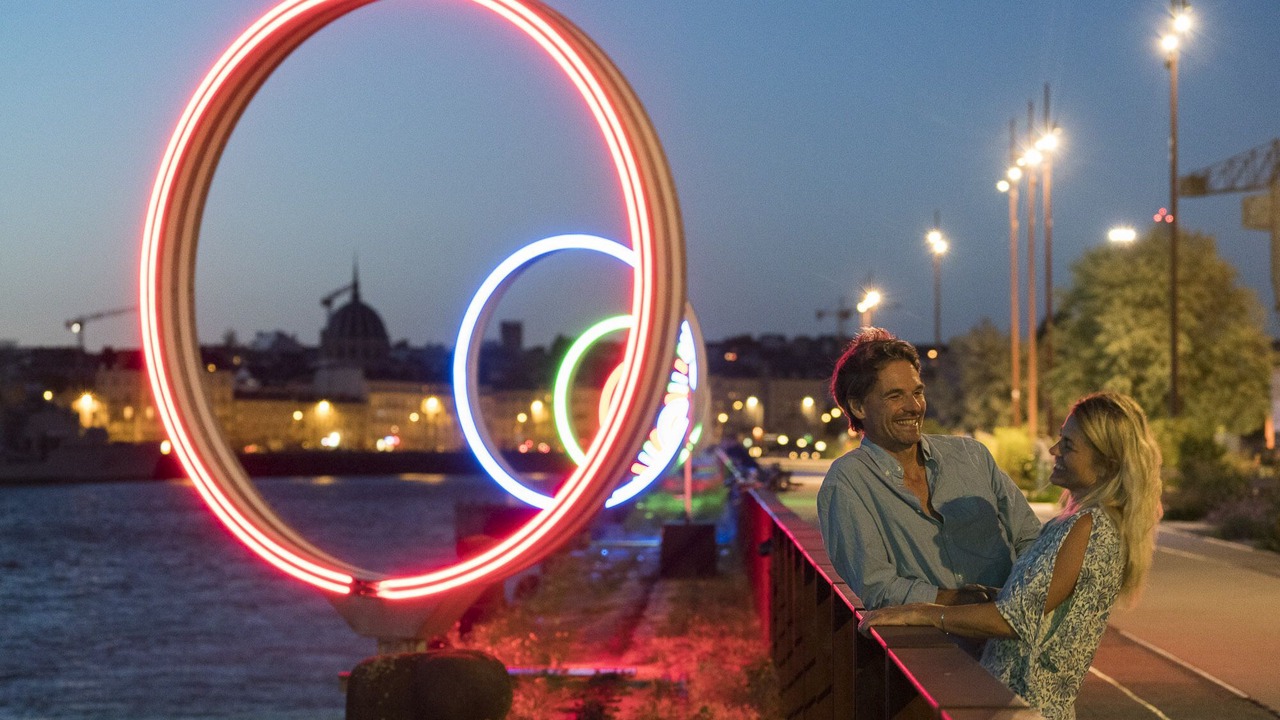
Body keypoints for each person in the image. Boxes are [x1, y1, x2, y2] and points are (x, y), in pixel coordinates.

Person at [858, 392, 1163, 720]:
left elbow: (1014, 619)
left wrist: (924, 613)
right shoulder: (1099, 523)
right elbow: (1043, 607)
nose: (1054, 450)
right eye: (1061, 439)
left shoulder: (1087, 526)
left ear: (1107, 463)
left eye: (1069, 446)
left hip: (1021, 708)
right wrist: (983, 597)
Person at [817, 327, 1042, 610]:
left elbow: (1030, 538)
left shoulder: (972, 456)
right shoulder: (848, 483)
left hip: (1011, 633)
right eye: (895, 396)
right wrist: (957, 603)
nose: (914, 406)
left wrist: (1022, 599)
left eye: (918, 392)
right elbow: (878, 587)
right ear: (859, 406)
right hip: (932, 647)